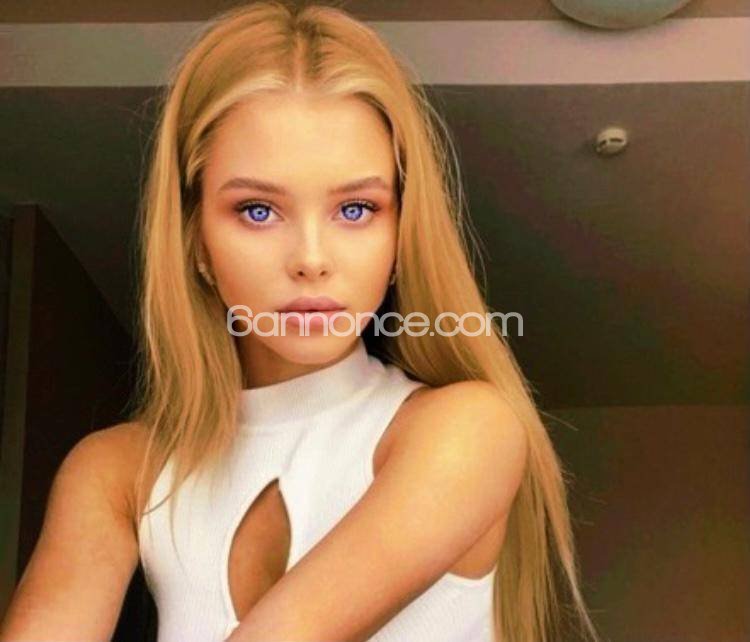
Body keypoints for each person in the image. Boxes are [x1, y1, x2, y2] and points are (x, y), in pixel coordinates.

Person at [0, 2, 601, 642]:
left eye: (356, 209)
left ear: (402, 233)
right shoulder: (117, 473)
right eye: (258, 210)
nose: (312, 259)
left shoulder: (467, 430)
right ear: (194, 240)